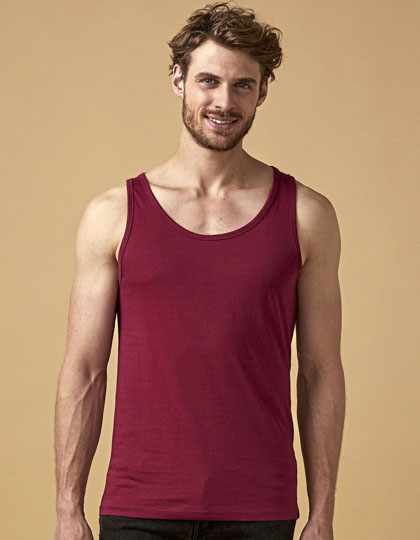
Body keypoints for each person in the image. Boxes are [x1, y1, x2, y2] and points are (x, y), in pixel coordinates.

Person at [54, 2, 345, 539]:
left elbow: (321, 371)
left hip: (259, 511)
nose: (223, 101)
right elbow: (85, 369)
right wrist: (68, 510)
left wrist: (322, 515)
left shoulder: (307, 215)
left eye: (242, 85)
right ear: (178, 81)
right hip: (139, 508)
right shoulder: (113, 215)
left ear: (262, 92)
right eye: (209, 80)